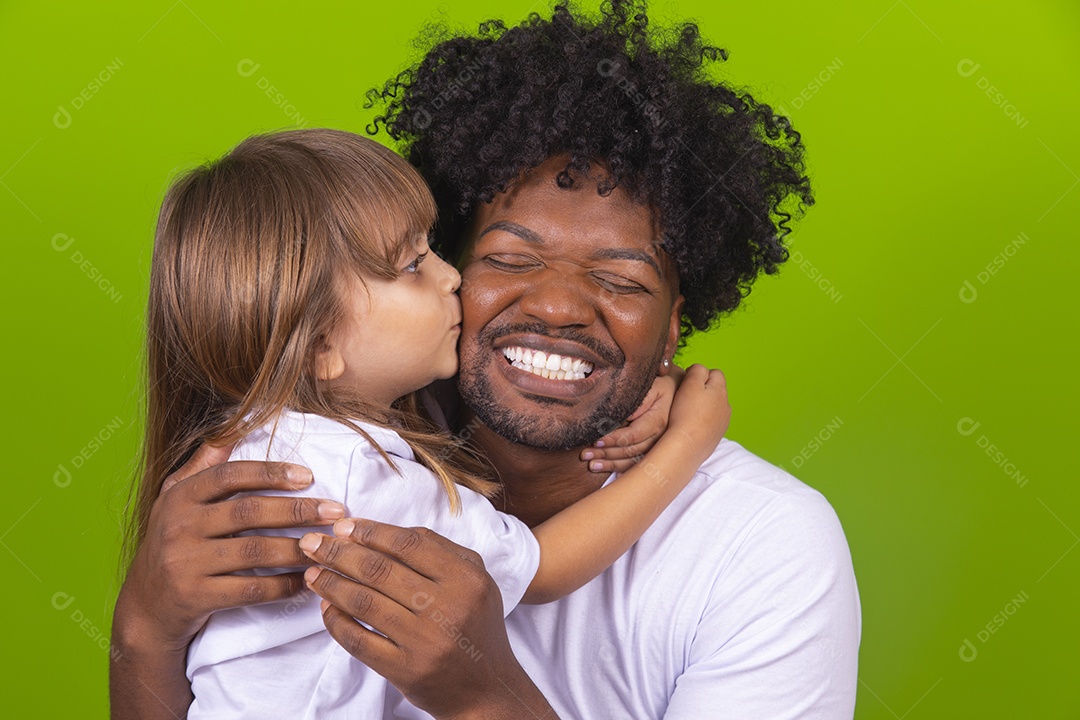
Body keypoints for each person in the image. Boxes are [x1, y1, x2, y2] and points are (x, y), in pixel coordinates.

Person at [111, 2, 861, 718]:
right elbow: (543, 568)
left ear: (672, 331)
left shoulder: (766, 546)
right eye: (506, 258)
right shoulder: (369, 456)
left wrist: (486, 698)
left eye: (621, 281)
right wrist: (145, 623)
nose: (560, 307)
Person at [125, 127, 728, 718]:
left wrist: (652, 377)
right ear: (321, 346)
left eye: (620, 282)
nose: (452, 277)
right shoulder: (360, 474)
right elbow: (543, 569)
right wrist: (686, 444)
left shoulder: (264, 435)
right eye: (415, 265)